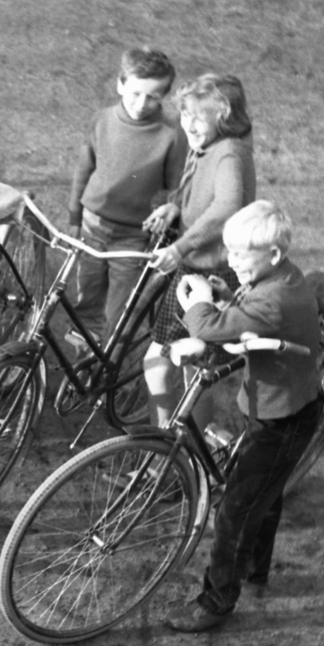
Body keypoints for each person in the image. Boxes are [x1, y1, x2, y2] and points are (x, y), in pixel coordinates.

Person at [165, 200, 323, 633]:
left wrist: (199, 303)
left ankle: (215, 603)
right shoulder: (281, 276)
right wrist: (223, 294)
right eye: (229, 252)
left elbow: (211, 328)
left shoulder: (277, 299)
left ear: (272, 254)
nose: (233, 262)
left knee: (235, 510)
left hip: (282, 419)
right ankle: (256, 568)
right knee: (263, 492)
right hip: (279, 408)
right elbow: (245, 309)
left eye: (241, 255)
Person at [140, 73, 257, 426]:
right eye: (184, 114)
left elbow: (227, 206)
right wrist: (175, 205)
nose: (187, 124)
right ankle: (167, 450)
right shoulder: (207, 145)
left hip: (213, 273)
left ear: (223, 119)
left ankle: (185, 458)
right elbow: (196, 187)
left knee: (193, 374)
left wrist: (181, 246)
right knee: (163, 365)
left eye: (198, 117)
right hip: (193, 269)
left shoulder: (230, 155)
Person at [65, 47, 186, 348]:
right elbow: (84, 169)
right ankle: (85, 350)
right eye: (134, 93)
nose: (142, 104)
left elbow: (175, 190)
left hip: (134, 237)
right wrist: (74, 218)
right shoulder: (102, 119)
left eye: (153, 96)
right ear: (120, 84)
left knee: (120, 308)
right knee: (88, 294)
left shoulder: (171, 135)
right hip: (93, 226)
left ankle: (108, 364)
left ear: (165, 96)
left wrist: (166, 210)